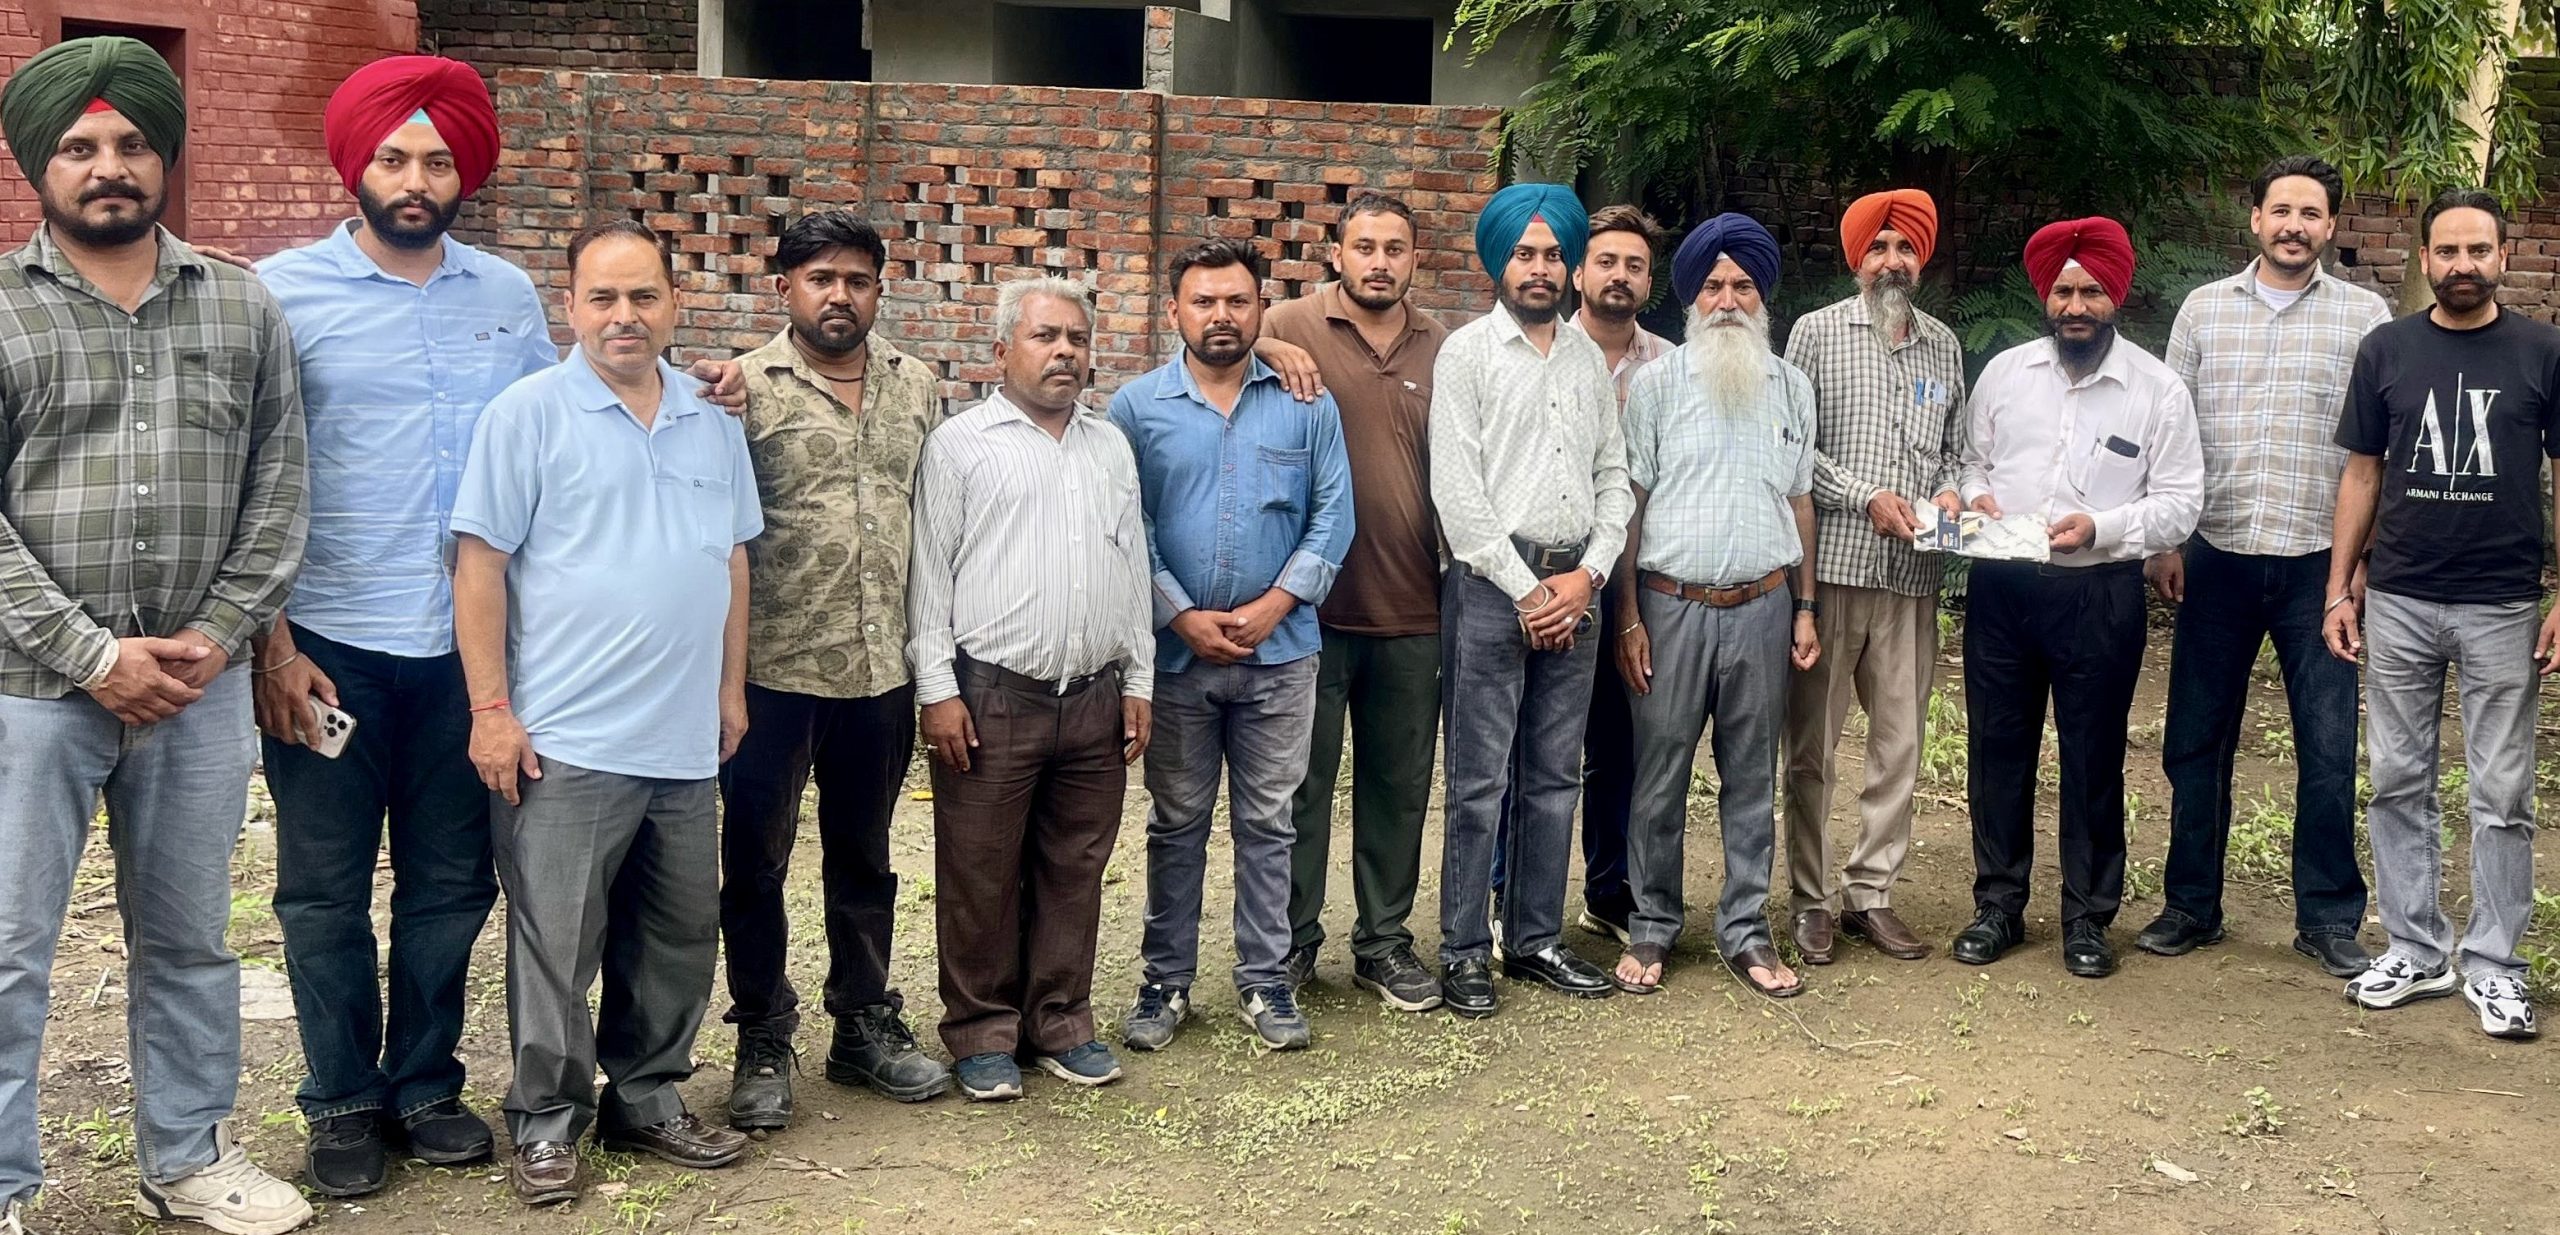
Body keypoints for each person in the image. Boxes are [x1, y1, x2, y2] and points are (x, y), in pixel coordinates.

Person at [0, 37, 314, 1235]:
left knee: (189, 938)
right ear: (41, 164)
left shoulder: (239, 303)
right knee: (10, 946)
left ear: (164, 154)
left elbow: (280, 486)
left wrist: (221, 635)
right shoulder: (3, 308)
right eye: (80, 146)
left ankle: (186, 1156)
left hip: (197, 688)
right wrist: (92, 656)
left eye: (132, 142)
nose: (110, 166)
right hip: (29, 689)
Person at [248, 56, 549, 1199]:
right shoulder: (280, 294)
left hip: (467, 654)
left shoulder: (507, 296)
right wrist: (273, 645)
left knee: (450, 884)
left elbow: (557, 434)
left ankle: (424, 1082)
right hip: (326, 647)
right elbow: (250, 475)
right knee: (321, 889)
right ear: (356, 166)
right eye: (393, 158)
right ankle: (339, 1097)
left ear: (463, 172)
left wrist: (703, 385)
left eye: (436, 160)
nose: (415, 180)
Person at [449, 220, 759, 1206]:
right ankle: (546, 1121)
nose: (624, 316)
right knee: (556, 943)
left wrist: (729, 689)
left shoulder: (711, 417)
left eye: (643, 296)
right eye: (603, 297)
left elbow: (732, 558)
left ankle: (648, 1096)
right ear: (570, 306)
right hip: (566, 740)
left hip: (683, 739)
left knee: (677, 934)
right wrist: (491, 709)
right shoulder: (527, 415)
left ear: (675, 303)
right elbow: (479, 565)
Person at [717, 211, 951, 1130]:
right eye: (820, 279)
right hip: (770, 673)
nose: (839, 295)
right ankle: (762, 1034)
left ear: (879, 289)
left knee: (866, 856)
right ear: (785, 289)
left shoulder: (915, 385)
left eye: (857, 279)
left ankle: (862, 1021)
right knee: (755, 862)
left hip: (880, 672)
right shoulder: (742, 390)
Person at [2137, 156, 2391, 978]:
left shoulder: (2365, 316)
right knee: (2195, 739)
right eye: (2281, 210)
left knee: (2328, 744)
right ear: (2255, 219)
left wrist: (2359, 565)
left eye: (2310, 214)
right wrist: (2164, 540)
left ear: (2330, 227)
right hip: (2217, 554)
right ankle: (2191, 904)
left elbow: (2377, 450)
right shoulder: (2204, 310)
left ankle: (2327, 916)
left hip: (2321, 563)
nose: (2294, 226)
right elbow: (2168, 433)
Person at [908, 276, 1156, 1099]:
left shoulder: (1108, 445)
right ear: (1001, 350)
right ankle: (981, 1029)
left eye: (1077, 339)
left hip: (1092, 696)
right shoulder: (960, 445)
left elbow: (1131, 565)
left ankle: (1060, 1018)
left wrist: (1139, 677)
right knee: (979, 868)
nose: (1064, 353)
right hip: (992, 695)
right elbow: (930, 574)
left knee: (1074, 864)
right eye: (1046, 336)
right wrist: (937, 689)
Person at [2324, 189, 2560, 1041]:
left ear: (2504, 256)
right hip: (2400, 597)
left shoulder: (2544, 352)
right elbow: (2362, 472)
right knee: (2397, 778)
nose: (2464, 265)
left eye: (2478, 250)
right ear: (2424, 259)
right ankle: (2417, 948)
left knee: (2502, 791)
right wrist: (2339, 586)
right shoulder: (2387, 349)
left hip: (2504, 602)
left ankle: (2495, 962)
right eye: (2448, 251)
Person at [1112, 240, 1352, 1053]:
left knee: (1269, 821)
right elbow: (1129, 527)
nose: (1222, 315)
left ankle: (1265, 978)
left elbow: (1333, 515)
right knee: (1176, 821)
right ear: (1173, 311)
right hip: (1177, 660)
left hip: (1281, 655)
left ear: (1261, 309)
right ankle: (1165, 980)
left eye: (1238, 301)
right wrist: (1180, 615)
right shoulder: (1136, 410)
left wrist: (1276, 603)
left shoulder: (1306, 403)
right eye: (1204, 301)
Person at [1953, 217, 2201, 979]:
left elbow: (2180, 502)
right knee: (1998, 747)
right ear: (2046, 298)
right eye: (2063, 293)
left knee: (2092, 755)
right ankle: (1998, 904)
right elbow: (1971, 461)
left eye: (2091, 292)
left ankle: (2087, 916)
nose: (2076, 307)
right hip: (2002, 587)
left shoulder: (2156, 390)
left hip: (2099, 591)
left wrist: (2103, 526)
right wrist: (1977, 496)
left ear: (2115, 295)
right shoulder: (2005, 373)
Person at [1430, 183, 1633, 1016]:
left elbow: (1613, 476)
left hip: (1576, 586)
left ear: (1570, 265)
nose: (1540, 268)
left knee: (1553, 774)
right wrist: (1529, 591)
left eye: (1553, 254)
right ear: (1499, 261)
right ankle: (1463, 949)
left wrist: (1588, 576)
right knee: (1479, 780)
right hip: (1491, 589)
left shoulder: (1586, 359)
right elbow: (1458, 494)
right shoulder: (1466, 355)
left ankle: (1535, 938)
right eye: (1525, 253)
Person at [1612, 214, 1821, 999]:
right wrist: (1628, 617)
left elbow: (1800, 502)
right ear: (1690, 299)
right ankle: (1652, 923)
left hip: (1764, 606)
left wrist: (1805, 607)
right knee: (1659, 773)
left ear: (1763, 295)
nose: (1727, 300)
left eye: (1742, 285)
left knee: (1751, 775)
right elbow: (1629, 506)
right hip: (1670, 608)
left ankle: (1745, 929)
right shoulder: (1655, 385)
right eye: (1712, 286)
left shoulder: (1790, 386)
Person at [1262, 192, 1451, 1013]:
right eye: (1364, 246)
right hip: (1308, 611)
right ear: (1335, 254)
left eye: (1394, 248)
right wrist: (1266, 343)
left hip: (1414, 607)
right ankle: (1293, 942)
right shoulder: (1290, 324)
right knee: (1299, 786)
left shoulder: (1443, 346)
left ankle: (1382, 942)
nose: (1379, 262)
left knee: (1398, 788)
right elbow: (1211, 346)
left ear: (1415, 259)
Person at [1779, 188, 1966, 966]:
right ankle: (1811, 898)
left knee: (1899, 742)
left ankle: (1871, 893)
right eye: (1880, 246)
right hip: (1832, 573)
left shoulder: (1942, 345)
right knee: (1812, 746)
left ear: (1922, 259)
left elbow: (1955, 450)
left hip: (1911, 580)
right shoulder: (1816, 334)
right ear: (1857, 257)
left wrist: (1950, 492)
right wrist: (1866, 496)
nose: (1893, 260)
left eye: (1906, 247)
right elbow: (1791, 447)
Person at [1489, 205, 1671, 947]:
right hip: (1539, 579)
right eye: (1605, 261)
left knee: (1617, 746)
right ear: (1577, 271)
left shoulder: (1672, 366)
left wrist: (1625, 605)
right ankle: (1506, 894)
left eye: (1634, 265)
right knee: (1523, 748)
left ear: (1650, 280)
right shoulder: (1533, 350)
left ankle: (1608, 891)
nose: (1618, 276)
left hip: (1632, 584)